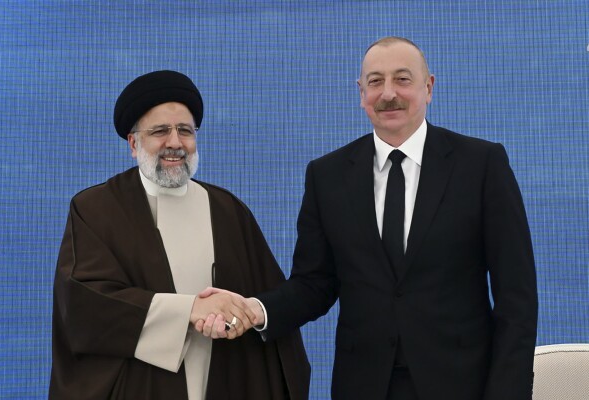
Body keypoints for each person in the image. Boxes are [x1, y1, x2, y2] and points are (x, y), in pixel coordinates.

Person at [198, 37, 538, 400]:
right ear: (361, 93)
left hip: (462, 384)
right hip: (362, 385)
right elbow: (314, 284)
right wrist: (255, 309)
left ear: (429, 87)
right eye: (375, 81)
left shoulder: (481, 164)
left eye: (402, 79)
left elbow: (516, 298)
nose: (388, 93)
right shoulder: (326, 176)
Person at [49, 70, 310, 400]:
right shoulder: (96, 209)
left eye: (185, 131)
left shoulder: (228, 210)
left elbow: (267, 295)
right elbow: (85, 304)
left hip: (225, 379)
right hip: (140, 386)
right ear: (133, 143)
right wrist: (189, 310)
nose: (175, 143)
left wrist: (242, 315)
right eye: (160, 131)